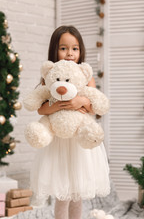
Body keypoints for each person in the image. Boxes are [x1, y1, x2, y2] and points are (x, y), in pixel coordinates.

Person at [30, 26, 110, 219]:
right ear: (55, 50)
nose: (69, 53)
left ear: (80, 50)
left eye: (75, 48)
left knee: (77, 191)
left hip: (78, 141)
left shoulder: (84, 75)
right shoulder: (50, 75)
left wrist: (80, 101)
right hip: (58, 141)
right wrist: (58, 106)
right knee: (62, 191)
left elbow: (94, 104)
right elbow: (41, 108)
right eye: (63, 48)